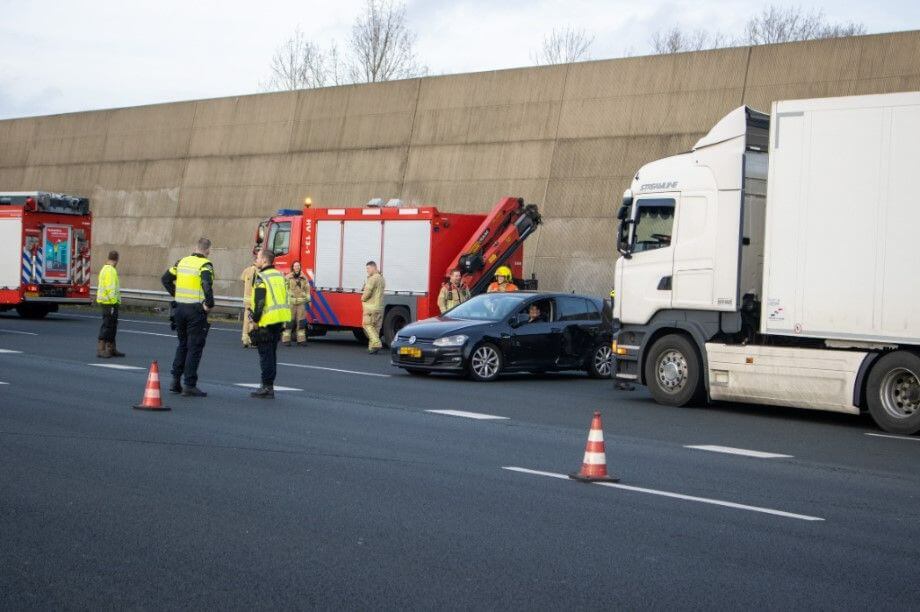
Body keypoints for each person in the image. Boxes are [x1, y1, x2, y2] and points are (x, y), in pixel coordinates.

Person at [161, 237, 214, 397]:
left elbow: (165, 279)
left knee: (182, 345)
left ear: (195, 247)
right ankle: (189, 384)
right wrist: (209, 303)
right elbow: (206, 283)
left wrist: (176, 294)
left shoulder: (181, 262)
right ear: (207, 250)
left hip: (179, 310)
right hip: (195, 311)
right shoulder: (205, 265)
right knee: (194, 347)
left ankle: (175, 381)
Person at [249, 250, 292, 398]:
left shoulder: (261, 277)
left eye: (259, 257)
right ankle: (269, 385)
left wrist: (255, 320)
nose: (257, 259)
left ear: (265, 261)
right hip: (279, 320)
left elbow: (260, 302)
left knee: (266, 356)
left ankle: (266, 388)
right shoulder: (279, 275)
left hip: (266, 321)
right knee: (272, 355)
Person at [95, 250, 123, 358]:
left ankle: (111, 348)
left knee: (112, 325)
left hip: (108, 301)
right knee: (107, 325)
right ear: (117, 260)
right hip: (109, 302)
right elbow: (111, 288)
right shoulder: (111, 270)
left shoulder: (105, 269)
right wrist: (113, 302)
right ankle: (102, 349)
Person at [283, 261, 311, 346]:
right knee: (289, 322)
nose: (297, 267)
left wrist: (309, 301)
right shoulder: (288, 277)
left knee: (301, 322)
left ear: (300, 267)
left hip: (301, 303)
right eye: (295, 266)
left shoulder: (304, 278)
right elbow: (284, 289)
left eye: (298, 266)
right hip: (291, 303)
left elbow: (307, 290)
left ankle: (301, 340)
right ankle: (286, 340)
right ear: (292, 267)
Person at [361, 261, 385, 354]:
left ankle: (376, 343)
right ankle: (372, 348)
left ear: (373, 268)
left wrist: (362, 298)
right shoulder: (382, 278)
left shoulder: (372, 279)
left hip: (370, 307)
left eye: (368, 268)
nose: (367, 271)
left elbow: (367, 293)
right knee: (375, 328)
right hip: (379, 307)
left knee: (367, 325)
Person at [240, 247, 259, 348]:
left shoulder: (246, 270)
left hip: (247, 300)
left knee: (246, 320)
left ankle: (245, 339)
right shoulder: (260, 272)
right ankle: (252, 340)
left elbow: (243, 281)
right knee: (253, 320)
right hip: (255, 301)